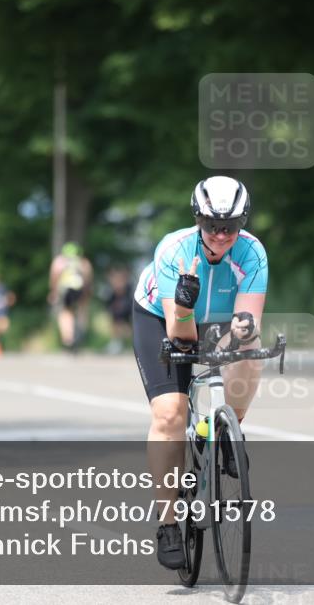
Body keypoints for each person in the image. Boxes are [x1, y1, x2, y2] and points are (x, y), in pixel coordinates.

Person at [132, 176, 268, 570]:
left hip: (219, 319)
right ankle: (168, 522)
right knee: (170, 414)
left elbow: (248, 322)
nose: (222, 235)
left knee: (250, 350)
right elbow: (180, 335)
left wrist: (240, 335)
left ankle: (229, 431)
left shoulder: (253, 253)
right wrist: (186, 301)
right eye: (212, 225)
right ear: (198, 219)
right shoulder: (174, 250)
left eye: (231, 226)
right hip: (163, 319)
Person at [49, 242, 93, 351]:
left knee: (65, 312)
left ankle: (68, 338)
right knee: (82, 310)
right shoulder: (83, 262)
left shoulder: (59, 261)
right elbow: (88, 278)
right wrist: (87, 293)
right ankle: (80, 330)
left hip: (66, 290)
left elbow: (54, 276)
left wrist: (53, 291)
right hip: (80, 289)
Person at [104, 266, 133, 354]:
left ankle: (118, 343)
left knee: (120, 325)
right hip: (119, 305)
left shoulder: (120, 281)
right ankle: (117, 343)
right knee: (118, 324)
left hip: (122, 305)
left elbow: (119, 291)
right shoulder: (122, 281)